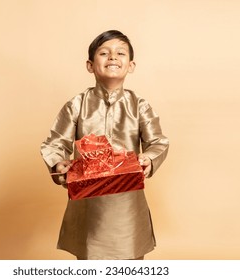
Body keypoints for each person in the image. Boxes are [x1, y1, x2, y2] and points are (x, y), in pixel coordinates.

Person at [40, 30, 169, 260]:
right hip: (89, 207)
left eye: (120, 53)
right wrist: (59, 164)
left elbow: (157, 142)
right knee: (90, 261)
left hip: (127, 206)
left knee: (130, 262)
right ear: (90, 65)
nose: (112, 57)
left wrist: (148, 158)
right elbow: (55, 142)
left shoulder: (139, 105)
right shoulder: (77, 105)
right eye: (104, 53)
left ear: (130, 65)